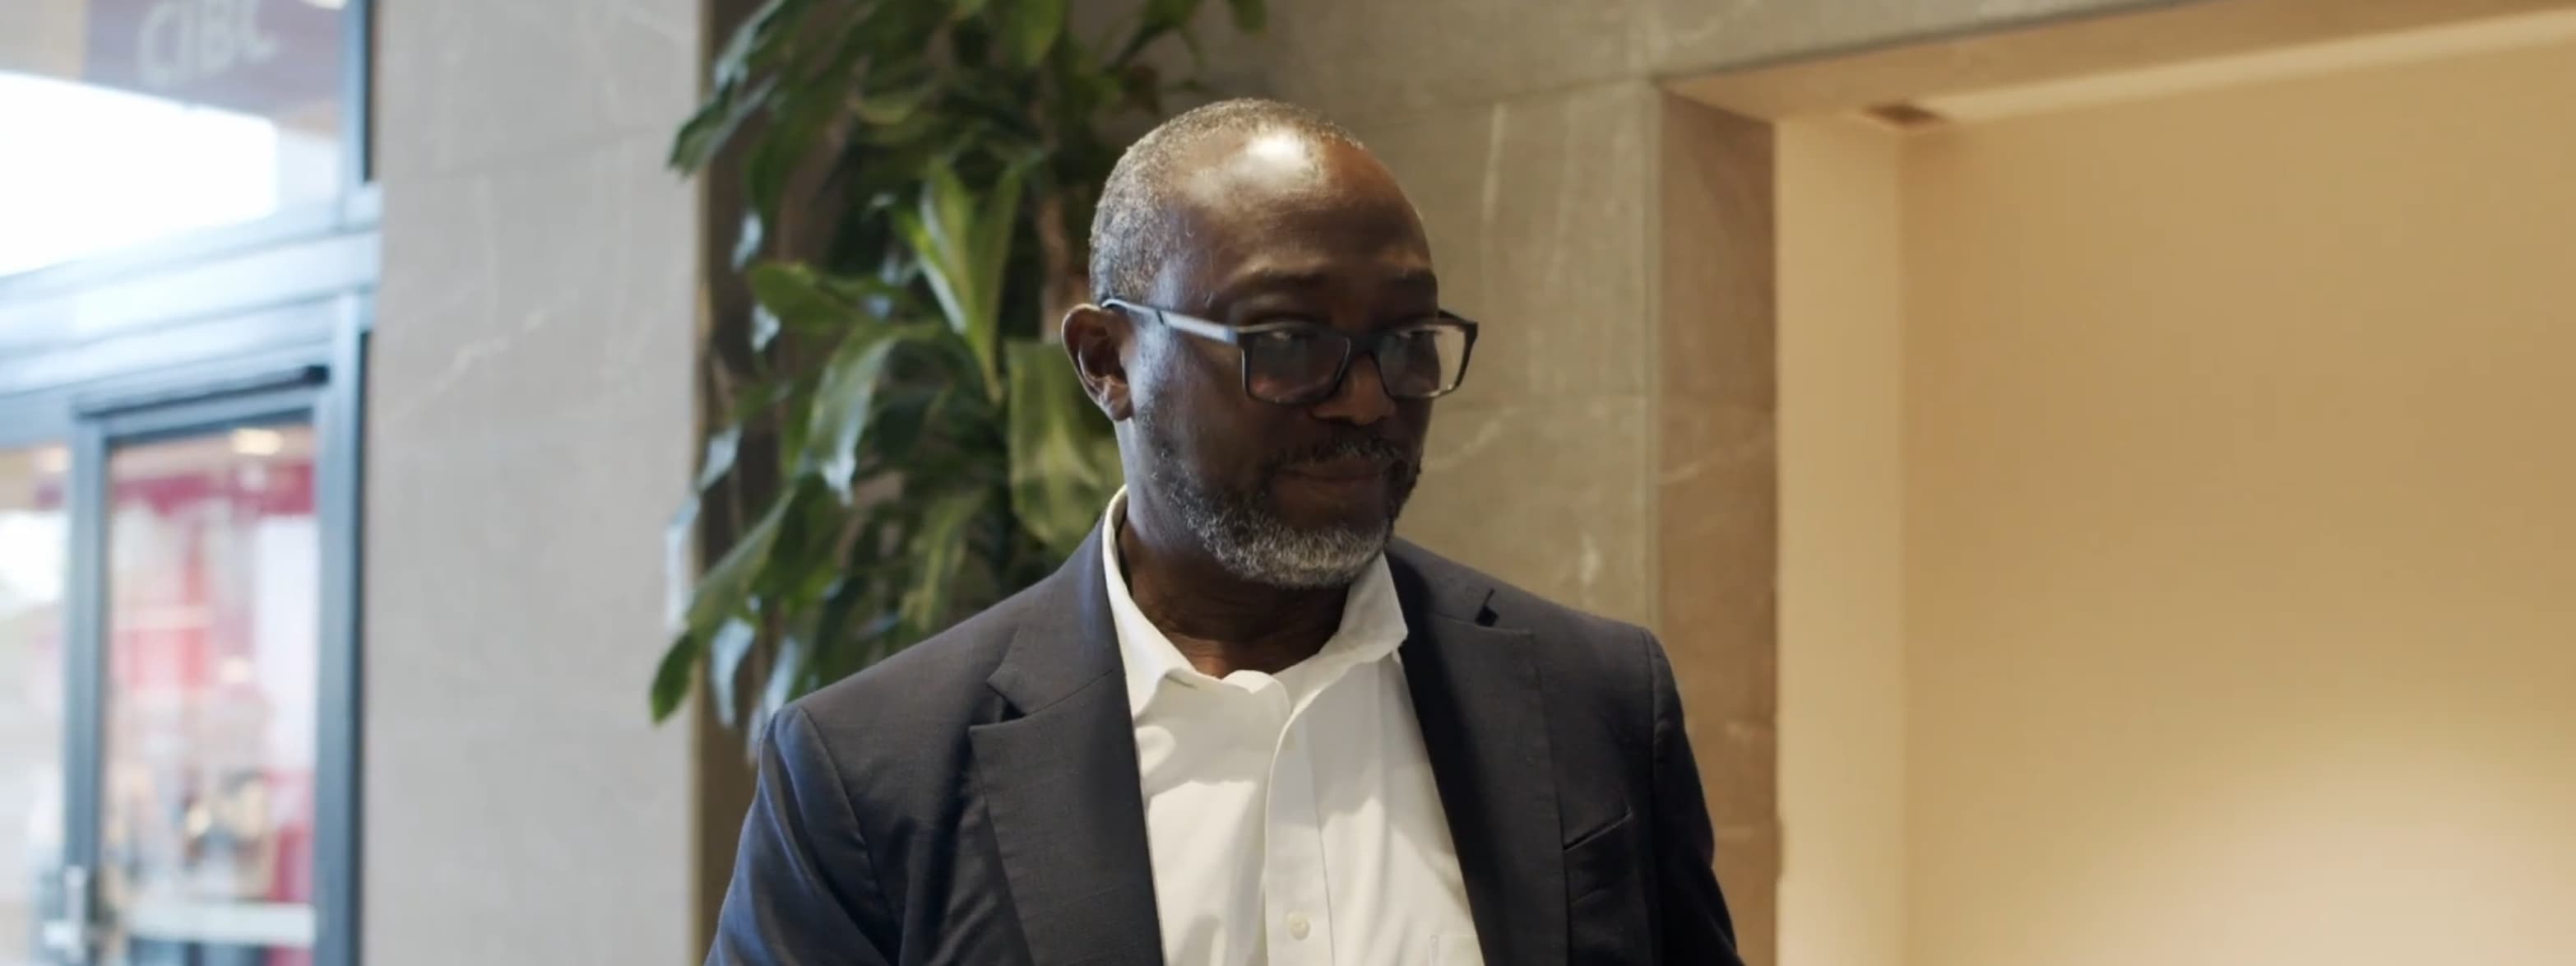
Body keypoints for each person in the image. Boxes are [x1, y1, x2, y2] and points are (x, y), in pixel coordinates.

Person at [707, 98, 1743, 966]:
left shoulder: (1593, 700)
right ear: (1107, 360)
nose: (1367, 399)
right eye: (1286, 340)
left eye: (1406, 338)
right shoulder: (874, 773)